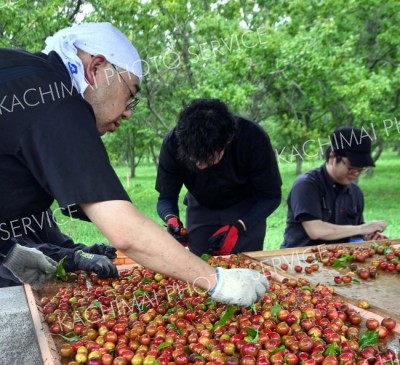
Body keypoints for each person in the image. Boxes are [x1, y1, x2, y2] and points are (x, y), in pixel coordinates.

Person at [0, 23, 268, 306]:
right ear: (97, 69)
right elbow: (124, 231)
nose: (128, 112)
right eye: (130, 94)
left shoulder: (27, 76)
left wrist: (9, 248)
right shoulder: (58, 101)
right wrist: (217, 281)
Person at [156, 98, 282, 256]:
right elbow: (166, 198)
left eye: (207, 158)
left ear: (227, 141)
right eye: (194, 159)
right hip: (201, 204)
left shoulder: (253, 138)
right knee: (199, 264)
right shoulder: (172, 143)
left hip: (247, 206)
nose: (200, 165)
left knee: (245, 264)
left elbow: (271, 196)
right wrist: (171, 219)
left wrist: (240, 226)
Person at [281, 126, 387, 248]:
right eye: (351, 168)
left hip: (338, 260)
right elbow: (315, 230)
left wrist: (366, 235)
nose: (356, 173)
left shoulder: (355, 192)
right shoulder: (306, 185)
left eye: (361, 169)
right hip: (299, 259)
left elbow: (354, 233)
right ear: (332, 157)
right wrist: (361, 228)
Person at [0, 210, 118, 287]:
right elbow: (23, 253)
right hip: (13, 286)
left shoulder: (37, 204)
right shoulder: (6, 208)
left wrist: (86, 251)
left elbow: (58, 242)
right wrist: (77, 257)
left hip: (45, 283)